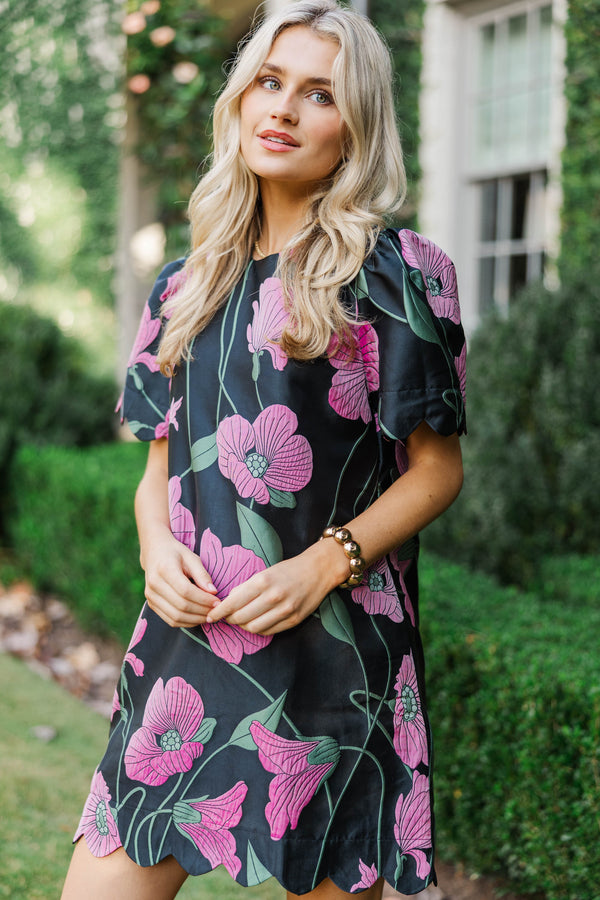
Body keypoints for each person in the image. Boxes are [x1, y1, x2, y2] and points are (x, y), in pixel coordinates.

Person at [61, 2, 466, 898]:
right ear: (240, 101)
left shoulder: (396, 275)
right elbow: (159, 468)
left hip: (335, 660)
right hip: (186, 653)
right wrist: (154, 548)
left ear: (355, 126)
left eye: (319, 94)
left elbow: (438, 470)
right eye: (270, 83)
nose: (282, 109)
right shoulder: (185, 284)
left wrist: (328, 561)